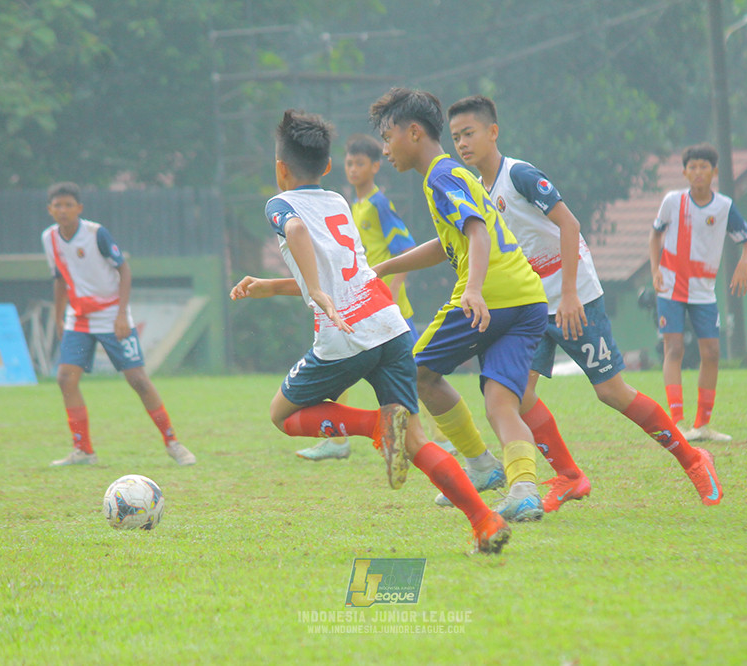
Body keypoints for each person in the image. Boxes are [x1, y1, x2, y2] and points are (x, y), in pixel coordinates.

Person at [229, 109, 510, 554]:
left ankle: (374, 428)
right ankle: (484, 519)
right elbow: (339, 272)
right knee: (415, 440)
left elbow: (299, 234)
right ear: (326, 167)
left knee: (281, 415)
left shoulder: (281, 206)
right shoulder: (340, 202)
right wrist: (276, 287)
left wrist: (316, 291)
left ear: (281, 169)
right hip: (390, 325)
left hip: (346, 335)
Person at [443, 95, 722, 509]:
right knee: (517, 394)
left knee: (611, 391)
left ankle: (694, 458)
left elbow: (568, 223)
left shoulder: (519, 174)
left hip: (575, 295)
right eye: (455, 137)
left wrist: (571, 292)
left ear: (493, 132)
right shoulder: (479, 190)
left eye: (469, 133)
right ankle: (569, 477)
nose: (462, 144)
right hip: (532, 304)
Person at [368, 88, 549, 522]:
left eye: (388, 137)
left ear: (414, 133)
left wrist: (473, 289)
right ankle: (524, 489)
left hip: (493, 297)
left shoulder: (440, 177)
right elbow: (446, 243)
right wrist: (385, 267)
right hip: (528, 299)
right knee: (501, 403)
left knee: (416, 372)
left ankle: (481, 466)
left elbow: (476, 233)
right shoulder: (455, 176)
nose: (385, 148)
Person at [296, 134, 455, 461]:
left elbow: (406, 247)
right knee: (341, 360)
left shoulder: (380, 204)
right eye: (349, 163)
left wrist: (393, 293)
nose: (353, 169)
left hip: (387, 307)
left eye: (360, 163)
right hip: (363, 303)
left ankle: (445, 439)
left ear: (376, 166)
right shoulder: (351, 206)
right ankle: (338, 440)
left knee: (416, 375)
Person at [41, 182, 196, 466]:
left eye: (68, 205)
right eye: (57, 206)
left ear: (79, 209)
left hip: (111, 315)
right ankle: (84, 450)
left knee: (137, 379)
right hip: (79, 318)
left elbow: (123, 269)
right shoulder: (49, 238)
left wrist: (122, 315)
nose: (62, 210)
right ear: (50, 210)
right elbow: (59, 279)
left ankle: (172, 442)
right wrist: (59, 317)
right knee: (65, 378)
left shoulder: (95, 234)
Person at [649, 143, 747, 442]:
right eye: (692, 167)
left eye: (704, 167)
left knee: (712, 352)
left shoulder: (724, 207)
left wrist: (743, 265)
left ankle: (702, 424)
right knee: (675, 349)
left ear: (715, 172)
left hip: (704, 291)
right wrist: (656, 270)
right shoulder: (673, 201)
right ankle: (677, 421)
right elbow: (655, 234)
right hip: (670, 286)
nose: (698, 172)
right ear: (684, 172)